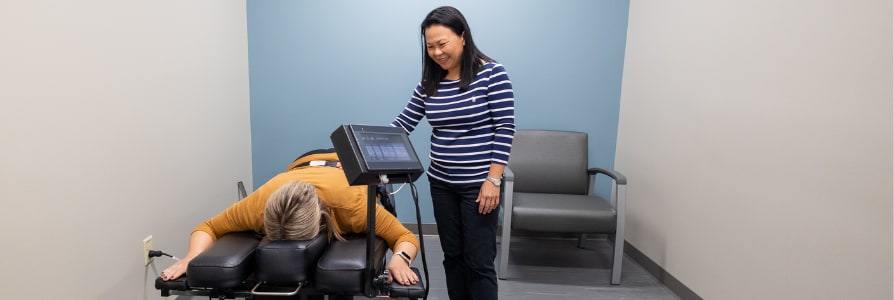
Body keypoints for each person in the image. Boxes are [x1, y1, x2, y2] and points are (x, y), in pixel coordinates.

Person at [389, 6, 515, 300]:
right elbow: (402, 124)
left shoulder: (492, 74)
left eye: (442, 43)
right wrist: (357, 156)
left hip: (479, 185)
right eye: (430, 46)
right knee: (452, 256)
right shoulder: (429, 84)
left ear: (462, 37)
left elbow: (506, 128)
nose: (436, 52)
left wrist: (493, 181)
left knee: (479, 261)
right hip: (441, 184)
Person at [159, 149, 420, 287]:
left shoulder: (353, 206)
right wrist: (191, 258)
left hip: (344, 163)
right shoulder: (259, 203)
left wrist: (400, 259)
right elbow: (207, 227)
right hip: (302, 163)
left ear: (322, 219)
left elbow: (404, 237)